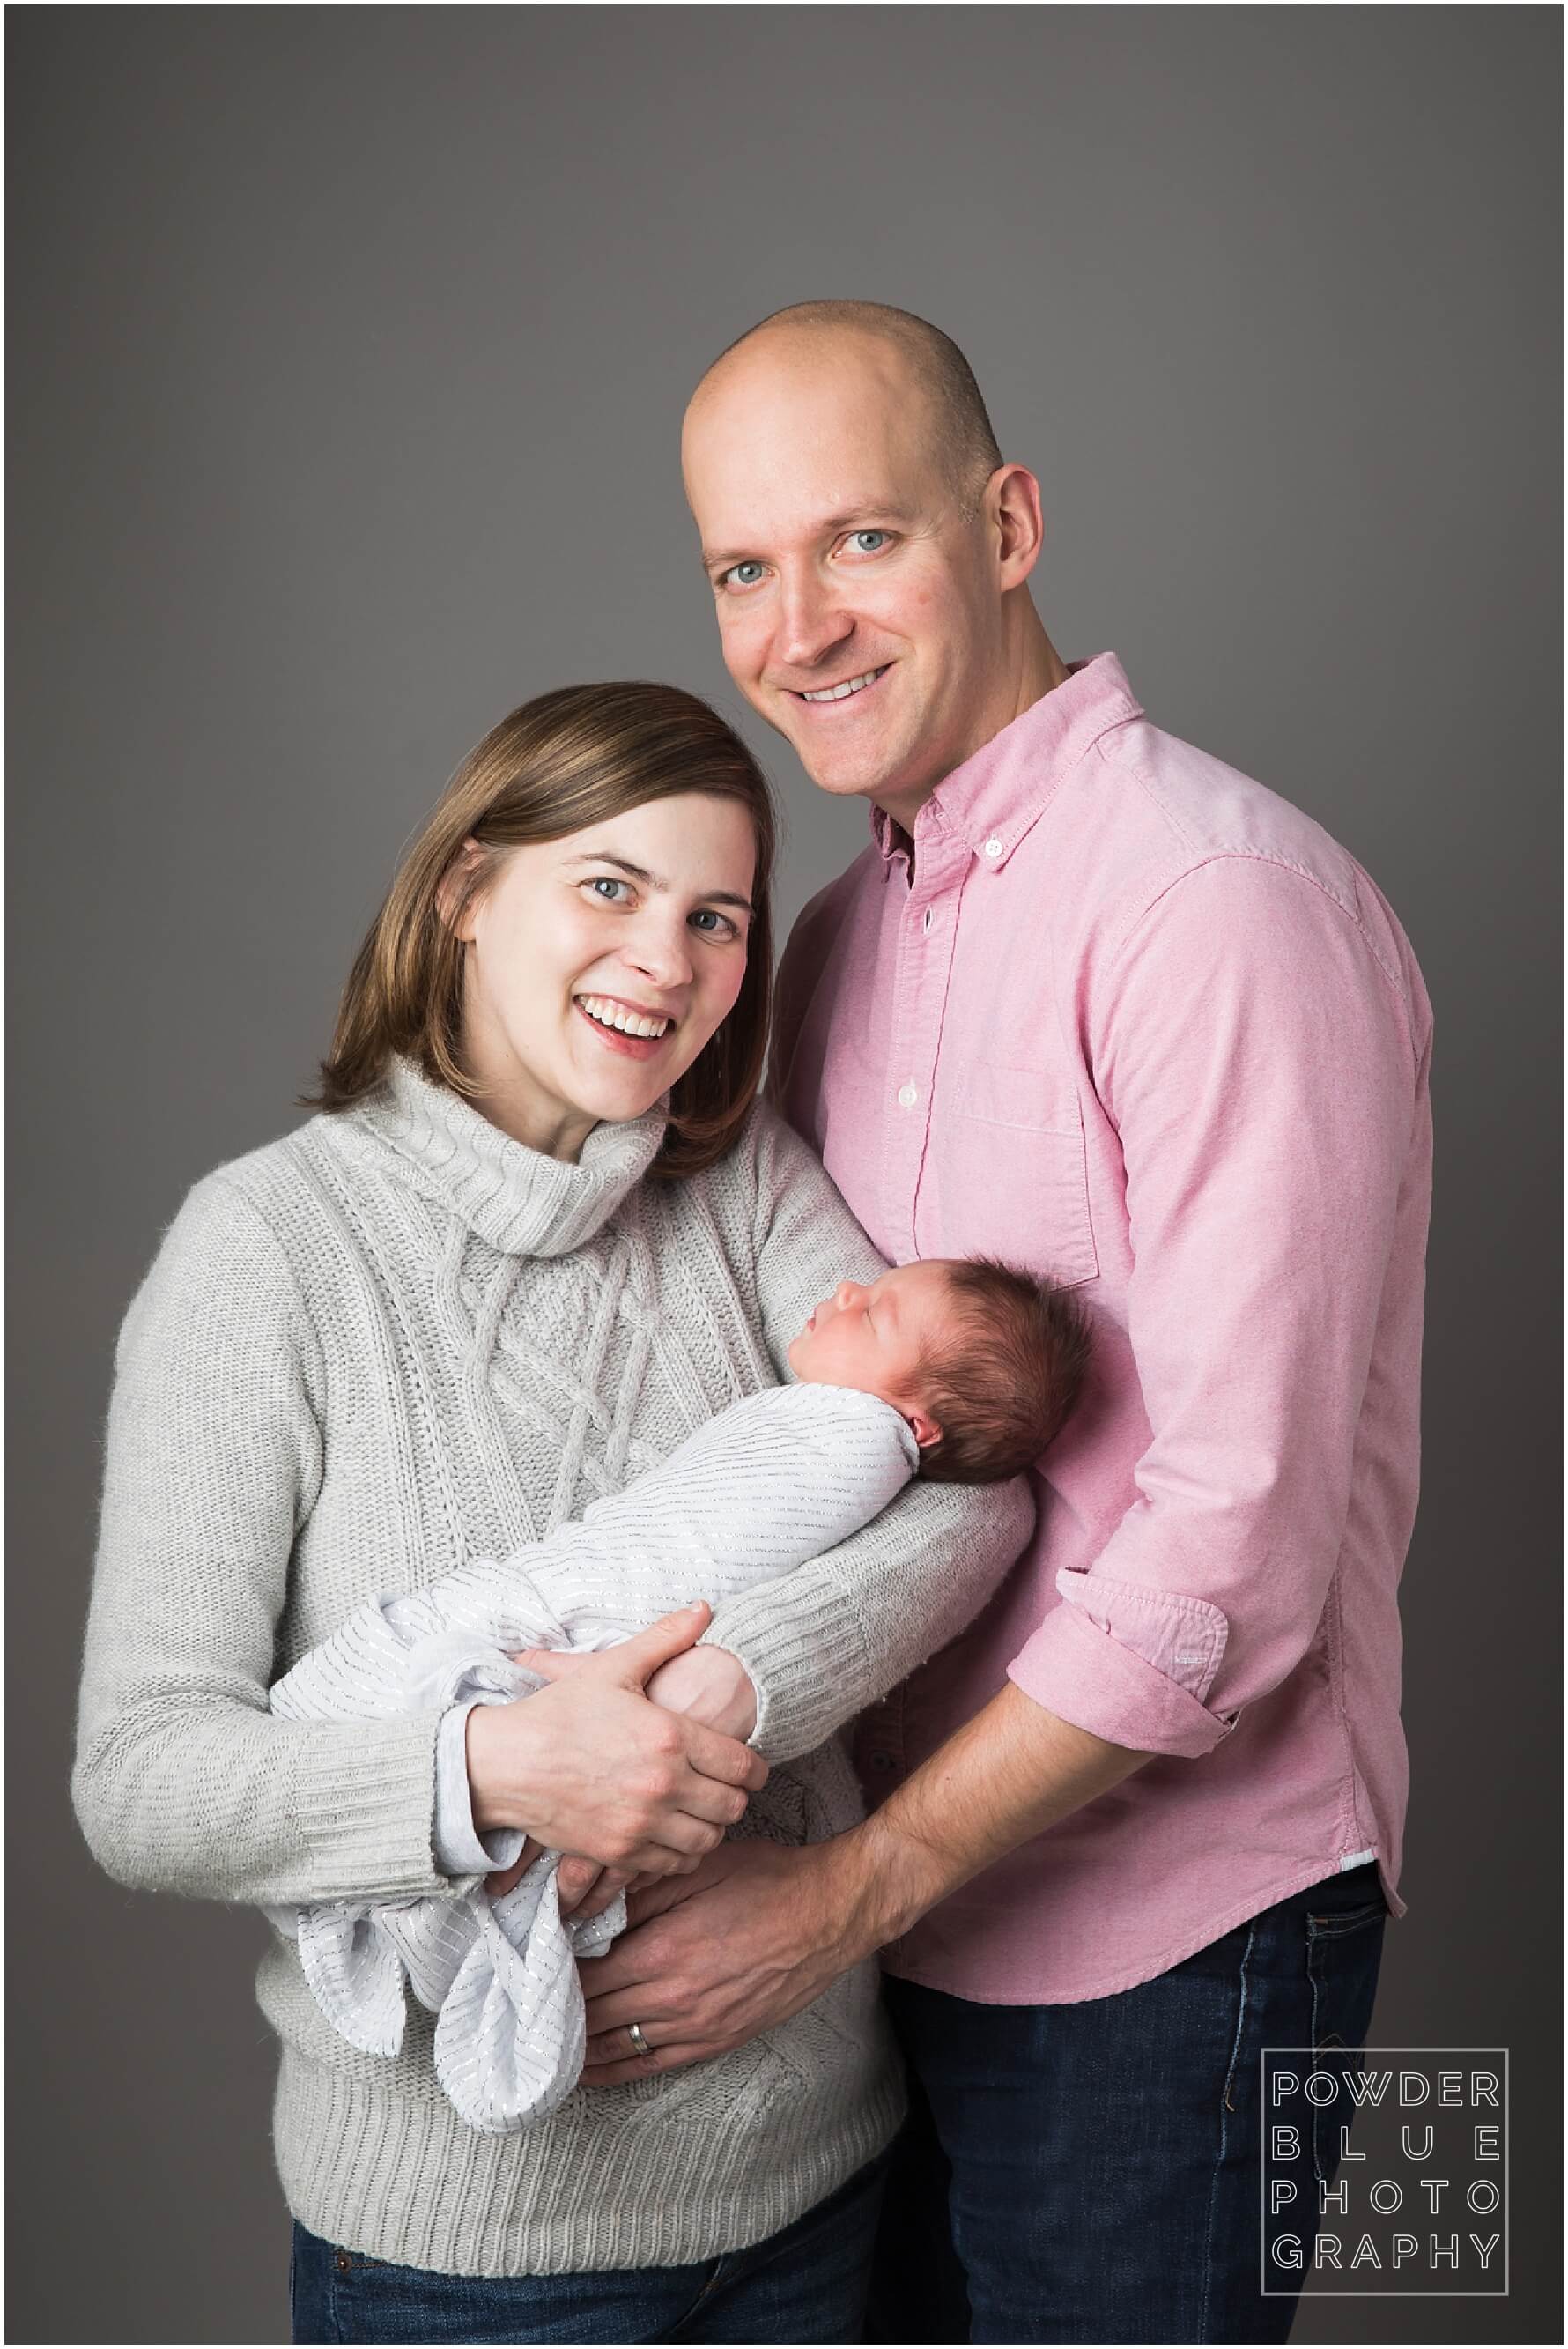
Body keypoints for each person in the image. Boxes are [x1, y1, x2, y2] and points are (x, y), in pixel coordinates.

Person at [572, 303, 1435, 2345]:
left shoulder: (1212, 903)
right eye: (740, 569)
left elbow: (1239, 1543)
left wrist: (834, 1897)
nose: (797, 626)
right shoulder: (833, 935)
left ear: (1010, 523)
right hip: (893, 1927)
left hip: (1178, 1945)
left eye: (859, 540)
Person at [70, 678, 1036, 2345]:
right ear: (465, 890)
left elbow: (978, 1495)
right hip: (470, 2266)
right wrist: (496, 1768)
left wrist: (718, 1693)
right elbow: (145, 1782)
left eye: (716, 916)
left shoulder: (743, 1188)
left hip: (822, 2188)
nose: (667, 962)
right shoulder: (266, 1257)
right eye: (609, 887)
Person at [265, 1253, 1090, 2136]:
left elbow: (980, 1506)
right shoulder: (273, 1239)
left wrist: (714, 1680)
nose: (847, 1288)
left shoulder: (847, 1435)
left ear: (917, 1430)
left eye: (878, 1310)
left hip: (792, 2124)